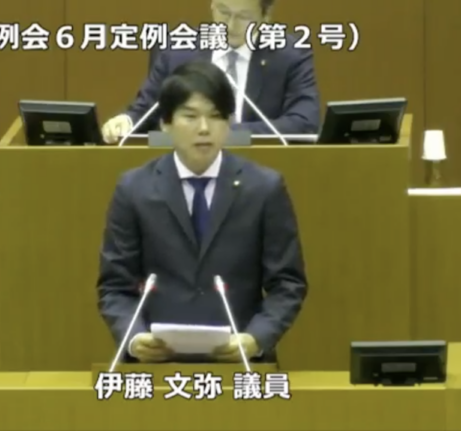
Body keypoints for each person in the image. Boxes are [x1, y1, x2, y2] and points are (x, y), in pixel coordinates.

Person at [97, 60, 308, 363]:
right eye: (191, 116)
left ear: (229, 123)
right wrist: (134, 337)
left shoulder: (263, 188)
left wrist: (256, 338)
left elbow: (288, 284)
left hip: (240, 362)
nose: (204, 128)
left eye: (216, 116)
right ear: (165, 123)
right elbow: (115, 286)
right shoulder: (134, 189)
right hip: (156, 364)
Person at [101, 0, 321, 143]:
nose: (230, 25)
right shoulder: (178, 50)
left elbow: (303, 122)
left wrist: (225, 133)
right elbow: (145, 111)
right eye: (223, 12)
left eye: (244, 16)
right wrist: (126, 122)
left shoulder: (290, 56)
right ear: (212, 5)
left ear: (266, 16)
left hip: (259, 170)